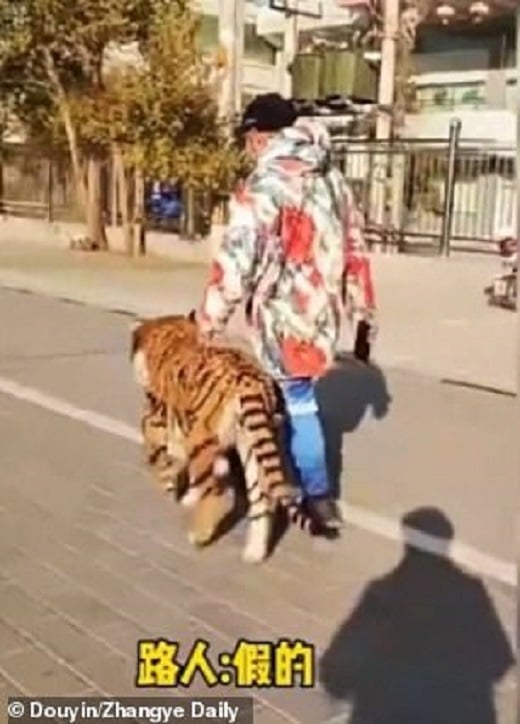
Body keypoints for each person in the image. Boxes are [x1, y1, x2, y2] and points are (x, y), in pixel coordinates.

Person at [197, 93, 376, 531]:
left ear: (259, 136)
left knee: (297, 402)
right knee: (288, 395)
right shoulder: (333, 177)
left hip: (281, 316)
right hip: (322, 313)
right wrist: (363, 310)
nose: (247, 149)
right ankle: (281, 471)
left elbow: (237, 257)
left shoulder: (266, 183)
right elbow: (356, 245)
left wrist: (211, 316)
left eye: (247, 140)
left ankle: (316, 495)